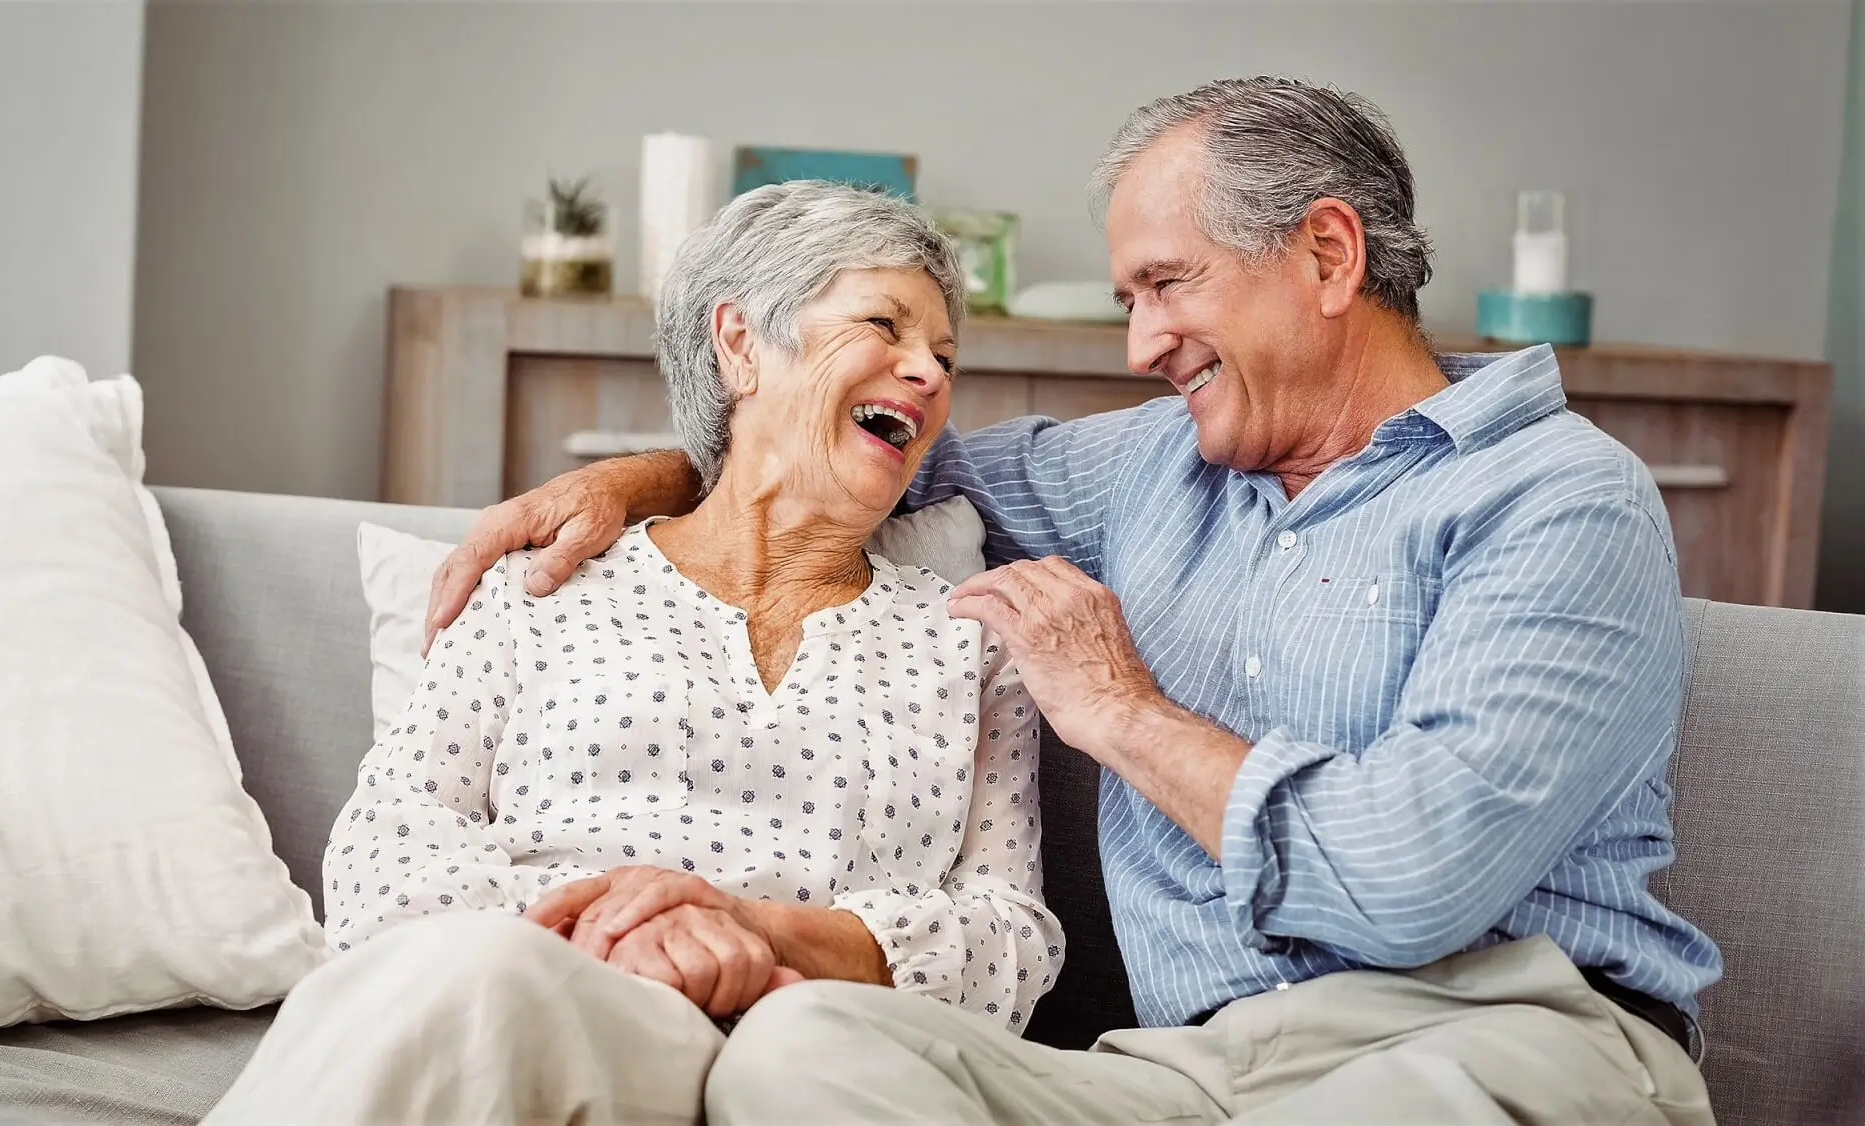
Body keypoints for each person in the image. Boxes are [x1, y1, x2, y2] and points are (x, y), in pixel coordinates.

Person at [427, 77, 1723, 1125]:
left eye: (1167, 285)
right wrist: (644, 473)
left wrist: (1123, 711)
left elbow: (1413, 880)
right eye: (1128, 300)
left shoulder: (1559, 498)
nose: (1140, 345)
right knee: (805, 1045)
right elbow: (852, 456)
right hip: (1192, 1074)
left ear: (1328, 254)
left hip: (1489, 1047)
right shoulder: (1156, 463)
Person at [205, 181, 1062, 1126]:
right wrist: (628, 935)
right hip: (529, 1002)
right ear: (739, 344)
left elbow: (1010, 942)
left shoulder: (971, 642)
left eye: (944, 355)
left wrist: (766, 939)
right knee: (481, 975)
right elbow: (384, 856)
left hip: (801, 1054)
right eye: (884, 326)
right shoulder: (547, 585)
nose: (930, 373)